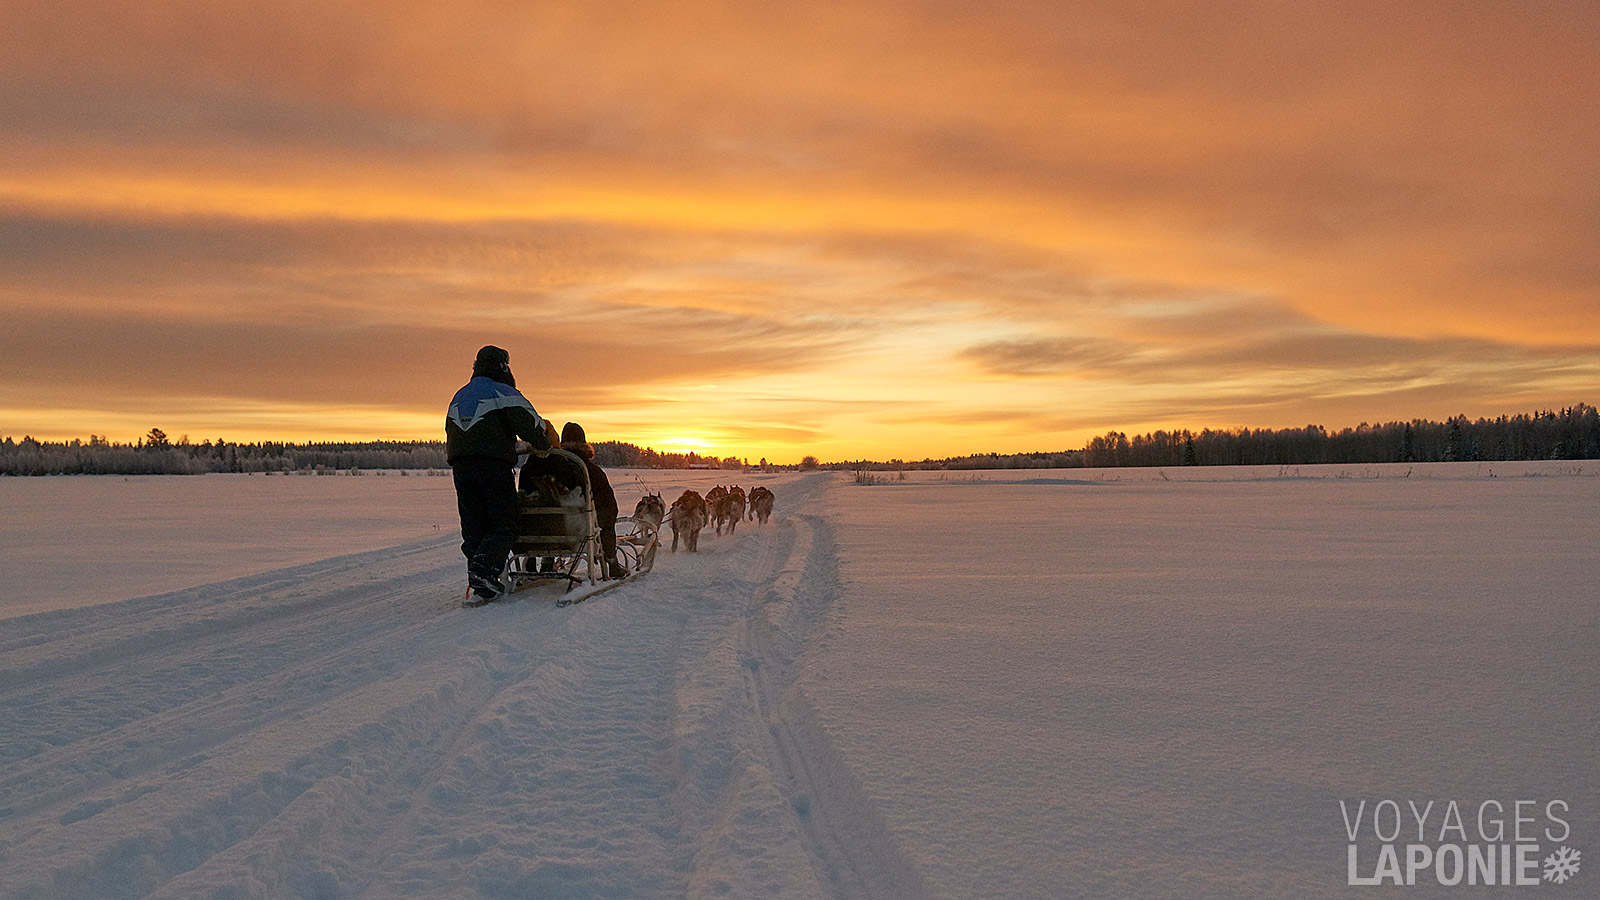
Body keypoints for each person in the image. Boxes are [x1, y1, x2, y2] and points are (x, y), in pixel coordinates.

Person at [446, 345, 550, 601]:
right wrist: (543, 444)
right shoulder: (504, 392)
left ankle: (481, 576)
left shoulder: (459, 396)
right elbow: (534, 426)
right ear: (503, 367)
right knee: (506, 523)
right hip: (493, 465)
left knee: (473, 523)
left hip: (460, 466)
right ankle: (484, 570)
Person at [557, 421, 627, 579]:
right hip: (583, 530)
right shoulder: (590, 471)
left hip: (553, 530)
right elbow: (609, 510)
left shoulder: (552, 467)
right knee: (607, 517)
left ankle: (547, 562)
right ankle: (612, 562)